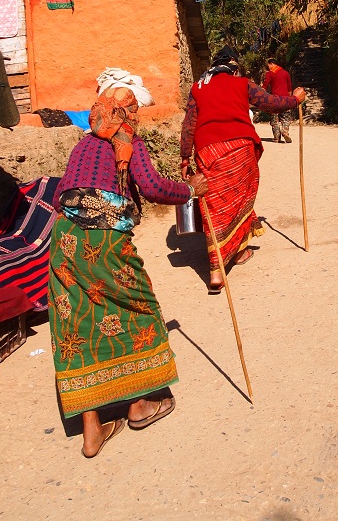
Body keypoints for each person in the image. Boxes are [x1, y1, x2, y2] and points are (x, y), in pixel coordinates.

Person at [48, 72, 208, 459]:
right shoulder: (129, 146)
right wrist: (190, 189)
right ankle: (138, 405)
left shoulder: (82, 146)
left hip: (65, 241)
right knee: (138, 310)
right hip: (106, 243)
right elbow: (152, 188)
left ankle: (91, 428)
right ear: (128, 113)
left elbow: (60, 195)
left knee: (78, 322)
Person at [180, 46, 306, 294]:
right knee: (238, 197)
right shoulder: (242, 84)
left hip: (208, 151)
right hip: (241, 149)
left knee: (215, 205)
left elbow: (189, 125)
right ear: (234, 68)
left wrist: (185, 157)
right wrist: (295, 100)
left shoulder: (197, 88)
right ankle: (227, 258)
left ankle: (219, 267)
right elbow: (271, 103)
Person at [262, 57, 294, 143]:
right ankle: (285, 131)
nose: (268, 67)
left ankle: (277, 137)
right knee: (286, 118)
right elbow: (289, 87)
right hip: (285, 99)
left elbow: (265, 85)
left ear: (271, 64)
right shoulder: (286, 73)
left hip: (275, 99)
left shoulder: (270, 73)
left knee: (275, 119)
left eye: (268, 65)